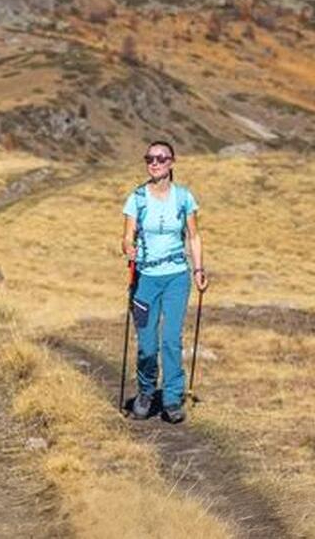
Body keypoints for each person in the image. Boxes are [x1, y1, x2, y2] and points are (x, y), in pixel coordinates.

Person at [121, 138, 207, 423]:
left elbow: (193, 236)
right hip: (145, 279)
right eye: (150, 158)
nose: (155, 163)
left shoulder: (184, 197)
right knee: (147, 345)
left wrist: (198, 270)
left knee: (170, 340)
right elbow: (127, 235)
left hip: (176, 278)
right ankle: (146, 393)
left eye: (161, 158)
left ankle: (171, 399)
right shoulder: (137, 198)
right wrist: (127, 247)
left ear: (172, 162)